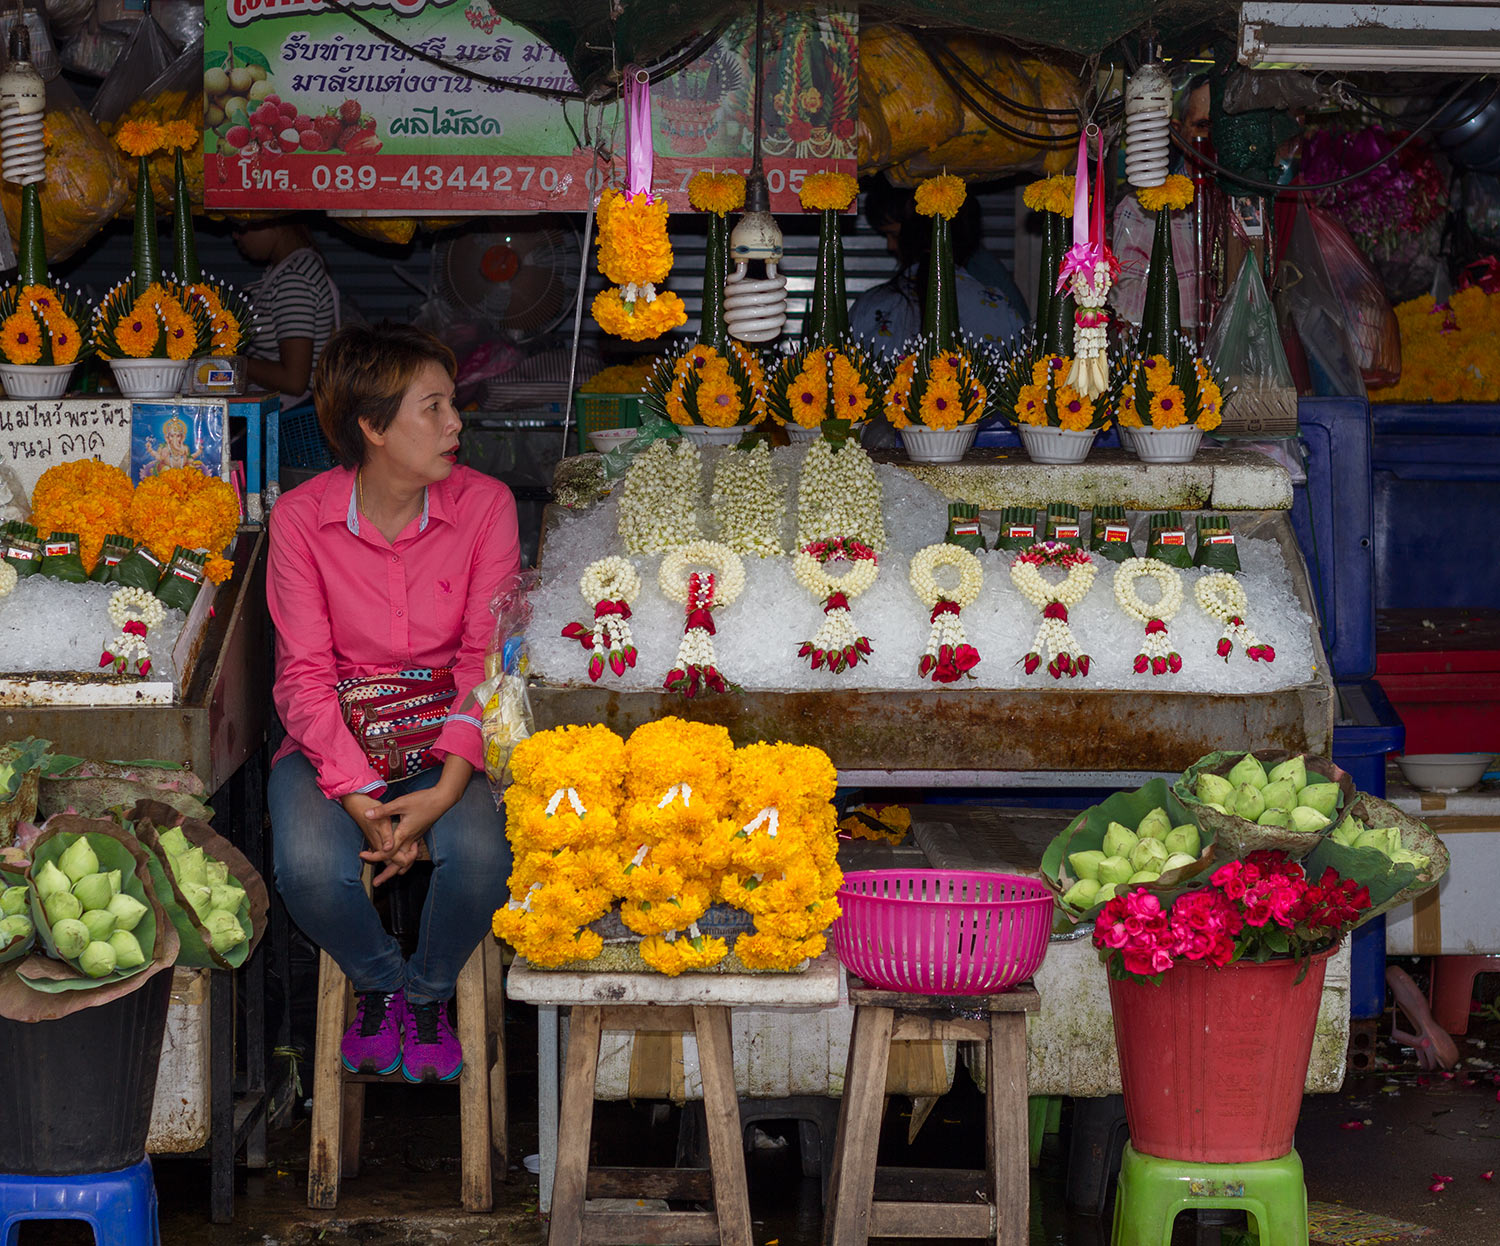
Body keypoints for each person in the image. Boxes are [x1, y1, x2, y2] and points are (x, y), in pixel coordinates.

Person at [267, 323, 520, 1084]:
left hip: (452, 736)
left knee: (485, 858)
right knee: (310, 869)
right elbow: (303, 678)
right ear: (372, 429)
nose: (456, 424)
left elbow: (489, 660)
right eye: (433, 408)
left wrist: (444, 790)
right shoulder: (301, 521)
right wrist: (365, 802)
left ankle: (427, 993)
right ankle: (379, 983)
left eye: (453, 405)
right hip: (337, 742)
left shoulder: (486, 507)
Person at [850, 174, 1029, 352]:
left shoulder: (868, 306)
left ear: (910, 233)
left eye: (894, 234)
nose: (890, 246)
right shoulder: (998, 308)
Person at [235, 218, 340, 410]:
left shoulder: (294, 280)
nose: (235, 236)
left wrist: (233, 364)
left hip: (289, 417)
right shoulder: (289, 271)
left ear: (274, 220)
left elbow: (294, 380)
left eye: (240, 227)